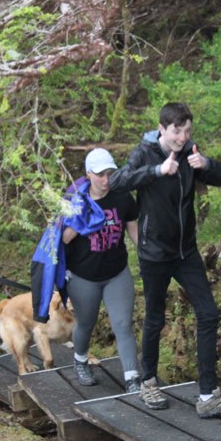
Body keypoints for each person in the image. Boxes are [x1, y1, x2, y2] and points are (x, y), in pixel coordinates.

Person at [110, 102, 221, 419]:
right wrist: (157, 171)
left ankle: (208, 394)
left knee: (209, 314)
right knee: (155, 317)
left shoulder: (190, 152)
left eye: (186, 131)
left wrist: (206, 164)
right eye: (176, 131)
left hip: (186, 252)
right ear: (162, 129)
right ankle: (148, 381)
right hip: (154, 253)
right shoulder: (145, 153)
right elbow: (117, 182)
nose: (182, 137)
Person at [61, 148, 141, 393]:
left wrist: (148, 257)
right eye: (100, 175)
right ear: (88, 174)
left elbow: (134, 230)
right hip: (83, 276)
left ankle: (132, 378)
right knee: (86, 322)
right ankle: (81, 360)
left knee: (123, 323)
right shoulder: (74, 199)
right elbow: (61, 239)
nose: (106, 180)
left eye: (110, 173)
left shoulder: (122, 196)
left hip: (116, 272)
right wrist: (79, 219)